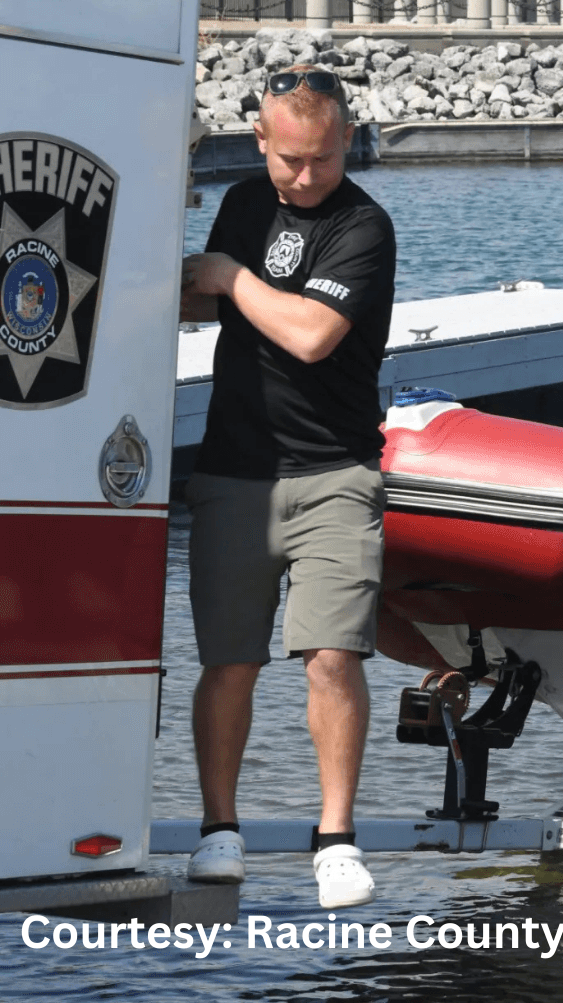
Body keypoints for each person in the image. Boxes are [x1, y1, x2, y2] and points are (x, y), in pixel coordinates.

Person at [178, 65, 396, 909]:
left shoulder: (364, 226)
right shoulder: (239, 204)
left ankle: (335, 839)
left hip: (335, 472)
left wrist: (230, 276)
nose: (306, 177)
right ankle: (218, 831)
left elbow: (308, 334)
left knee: (332, 658)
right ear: (259, 139)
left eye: (324, 159)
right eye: (289, 160)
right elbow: (200, 304)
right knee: (228, 663)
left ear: (347, 139)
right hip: (233, 470)